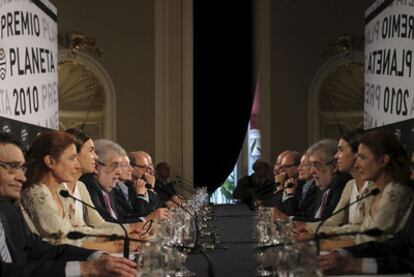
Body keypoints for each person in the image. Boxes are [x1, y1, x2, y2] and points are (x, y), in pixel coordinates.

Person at [0, 131, 137, 276]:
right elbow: (61, 240)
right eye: (13, 166)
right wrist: (89, 266)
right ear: (50, 161)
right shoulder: (34, 194)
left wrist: (97, 257)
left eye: (22, 168)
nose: (22, 177)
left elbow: (39, 249)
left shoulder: (8, 211)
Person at [316, 129, 414, 251]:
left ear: (383, 160)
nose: (357, 165)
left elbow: (372, 241)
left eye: (362, 158)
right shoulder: (378, 192)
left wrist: (325, 244)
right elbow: (361, 232)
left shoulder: (396, 191)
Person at [128, 151, 170, 218]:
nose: (148, 170)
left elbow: (161, 207)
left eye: (150, 166)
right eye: (144, 167)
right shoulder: (128, 187)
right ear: (131, 167)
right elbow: (143, 214)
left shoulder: (144, 183)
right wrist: (150, 189)